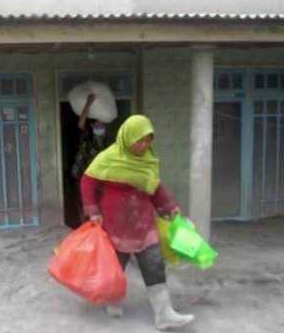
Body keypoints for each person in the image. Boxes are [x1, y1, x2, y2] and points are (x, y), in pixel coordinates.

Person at [80, 114, 194, 330]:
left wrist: (169, 206)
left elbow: (155, 187)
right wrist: (92, 210)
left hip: (143, 221)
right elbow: (88, 181)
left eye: (148, 139)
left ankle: (164, 313)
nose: (145, 145)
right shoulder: (109, 157)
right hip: (115, 221)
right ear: (127, 137)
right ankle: (113, 300)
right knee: (115, 265)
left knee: (154, 262)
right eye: (140, 140)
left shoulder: (148, 159)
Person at [70, 93, 108, 222]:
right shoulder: (85, 137)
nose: (101, 127)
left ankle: (95, 229)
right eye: (98, 124)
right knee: (84, 204)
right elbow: (81, 123)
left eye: (102, 126)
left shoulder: (103, 142)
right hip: (81, 174)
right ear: (92, 126)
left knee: (97, 205)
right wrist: (88, 103)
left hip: (97, 178)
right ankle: (85, 228)